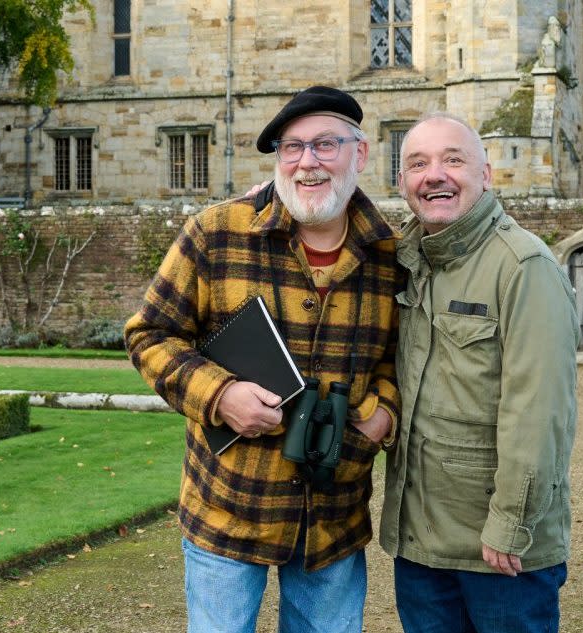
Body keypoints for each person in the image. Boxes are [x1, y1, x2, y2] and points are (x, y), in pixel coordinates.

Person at [123, 86, 400, 633]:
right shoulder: (216, 233)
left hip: (333, 515)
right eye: (291, 148)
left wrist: (384, 410)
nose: (307, 162)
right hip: (230, 508)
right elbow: (149, 334)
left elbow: (400, 360)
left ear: (360, 154)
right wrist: (219, 395)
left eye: (325, 144)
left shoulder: (390, 256)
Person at [377, 113, 581, 633]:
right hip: (420, 543)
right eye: (417, 164)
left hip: (496, 553)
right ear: (402, 183)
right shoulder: (411, 260)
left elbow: (538, 413)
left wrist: (511, 525)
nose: (434, 174)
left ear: (486, 174)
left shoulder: (523, 267)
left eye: (453, 159)